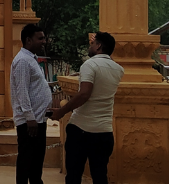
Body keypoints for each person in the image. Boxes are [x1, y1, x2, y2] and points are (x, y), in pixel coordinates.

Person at [52, 31, 124, 184]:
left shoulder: (89, 65)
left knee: (73, 175)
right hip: (104, 131)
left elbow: (84, 94)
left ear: (98, 46)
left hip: (82, 129)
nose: (89, 46)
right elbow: (107, 62)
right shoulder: (118, 69)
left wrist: (61, 111)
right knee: (99, 176)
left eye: (92, 44)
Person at [10, 23, 52, 184]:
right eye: (40, 38)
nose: (43, 41)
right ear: (28, 40)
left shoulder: (31, 59)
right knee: (27, 162)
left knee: (36, 163)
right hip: (30, 122)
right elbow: (22, 91)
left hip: (38, 119)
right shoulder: (22, 61)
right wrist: (30, 117)